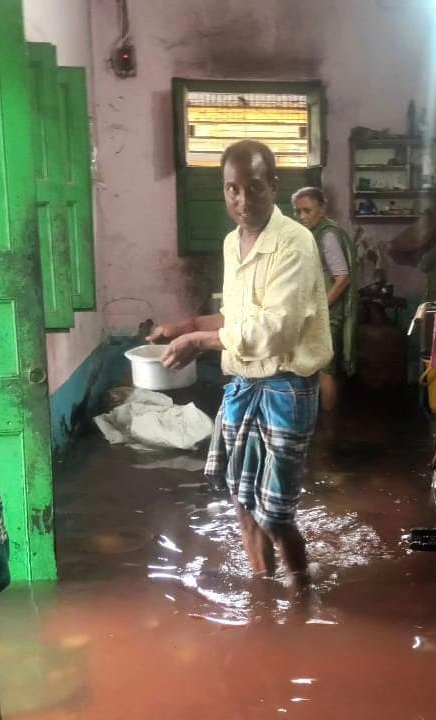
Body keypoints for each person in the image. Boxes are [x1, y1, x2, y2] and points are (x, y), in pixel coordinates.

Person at [147, 140, 332, 589]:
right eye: (232, 189)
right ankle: (264, 596)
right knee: (242, 502)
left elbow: (276, 331)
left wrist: (201, 341)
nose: (243, 200)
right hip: (244, 383)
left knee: (275, 512)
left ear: (274, 184)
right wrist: (183, 326)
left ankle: (302, 591)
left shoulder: (295, 243)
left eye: (254, 187)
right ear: (223, 191)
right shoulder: (234, 244)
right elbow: (238, 318)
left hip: (287, 386)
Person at [291, 187, 356, 412]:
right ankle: (321, 423)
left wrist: (321, 308)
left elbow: (342, 278)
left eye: (307, 210)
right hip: (318, 311)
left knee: (325, 371)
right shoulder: (313, 234)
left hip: (328, 314)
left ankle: (329, 430)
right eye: (297, 211)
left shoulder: (327, 235)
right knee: (318, 368)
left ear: (322, 209)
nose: (302, 216)